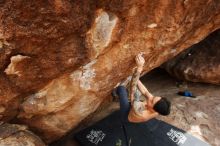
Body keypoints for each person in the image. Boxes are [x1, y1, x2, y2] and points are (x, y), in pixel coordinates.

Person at [115, 53, 171, 123]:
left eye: (152, 101)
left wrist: (139, 69)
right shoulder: (157, 108)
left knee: (121, 89)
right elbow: (145, 91)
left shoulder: (141, 113)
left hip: (127, 115)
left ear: (152, 109)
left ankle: (115, 93)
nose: (150, 97)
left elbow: (132, 90)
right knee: (137, 92)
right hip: (136, 105)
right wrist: (136, 77)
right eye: (154, 97)